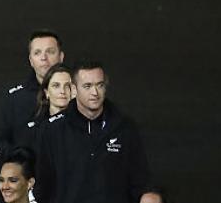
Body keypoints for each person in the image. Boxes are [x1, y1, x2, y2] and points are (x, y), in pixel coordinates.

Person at [35, 61, 162, 203]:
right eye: (87, 86)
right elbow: (43, 189)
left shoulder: (125, 128)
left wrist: (149, 196)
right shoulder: (53, 131)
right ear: (74, 89)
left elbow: (141, 182)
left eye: (99, 85)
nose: (95, 93)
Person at [0, 29, 66, 151]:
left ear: (61, 56)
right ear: (31, 60)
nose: (44, 58)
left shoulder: (79, 93)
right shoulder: (15, 99)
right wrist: (19, 157)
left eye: (50, 52)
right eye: (37, 53)